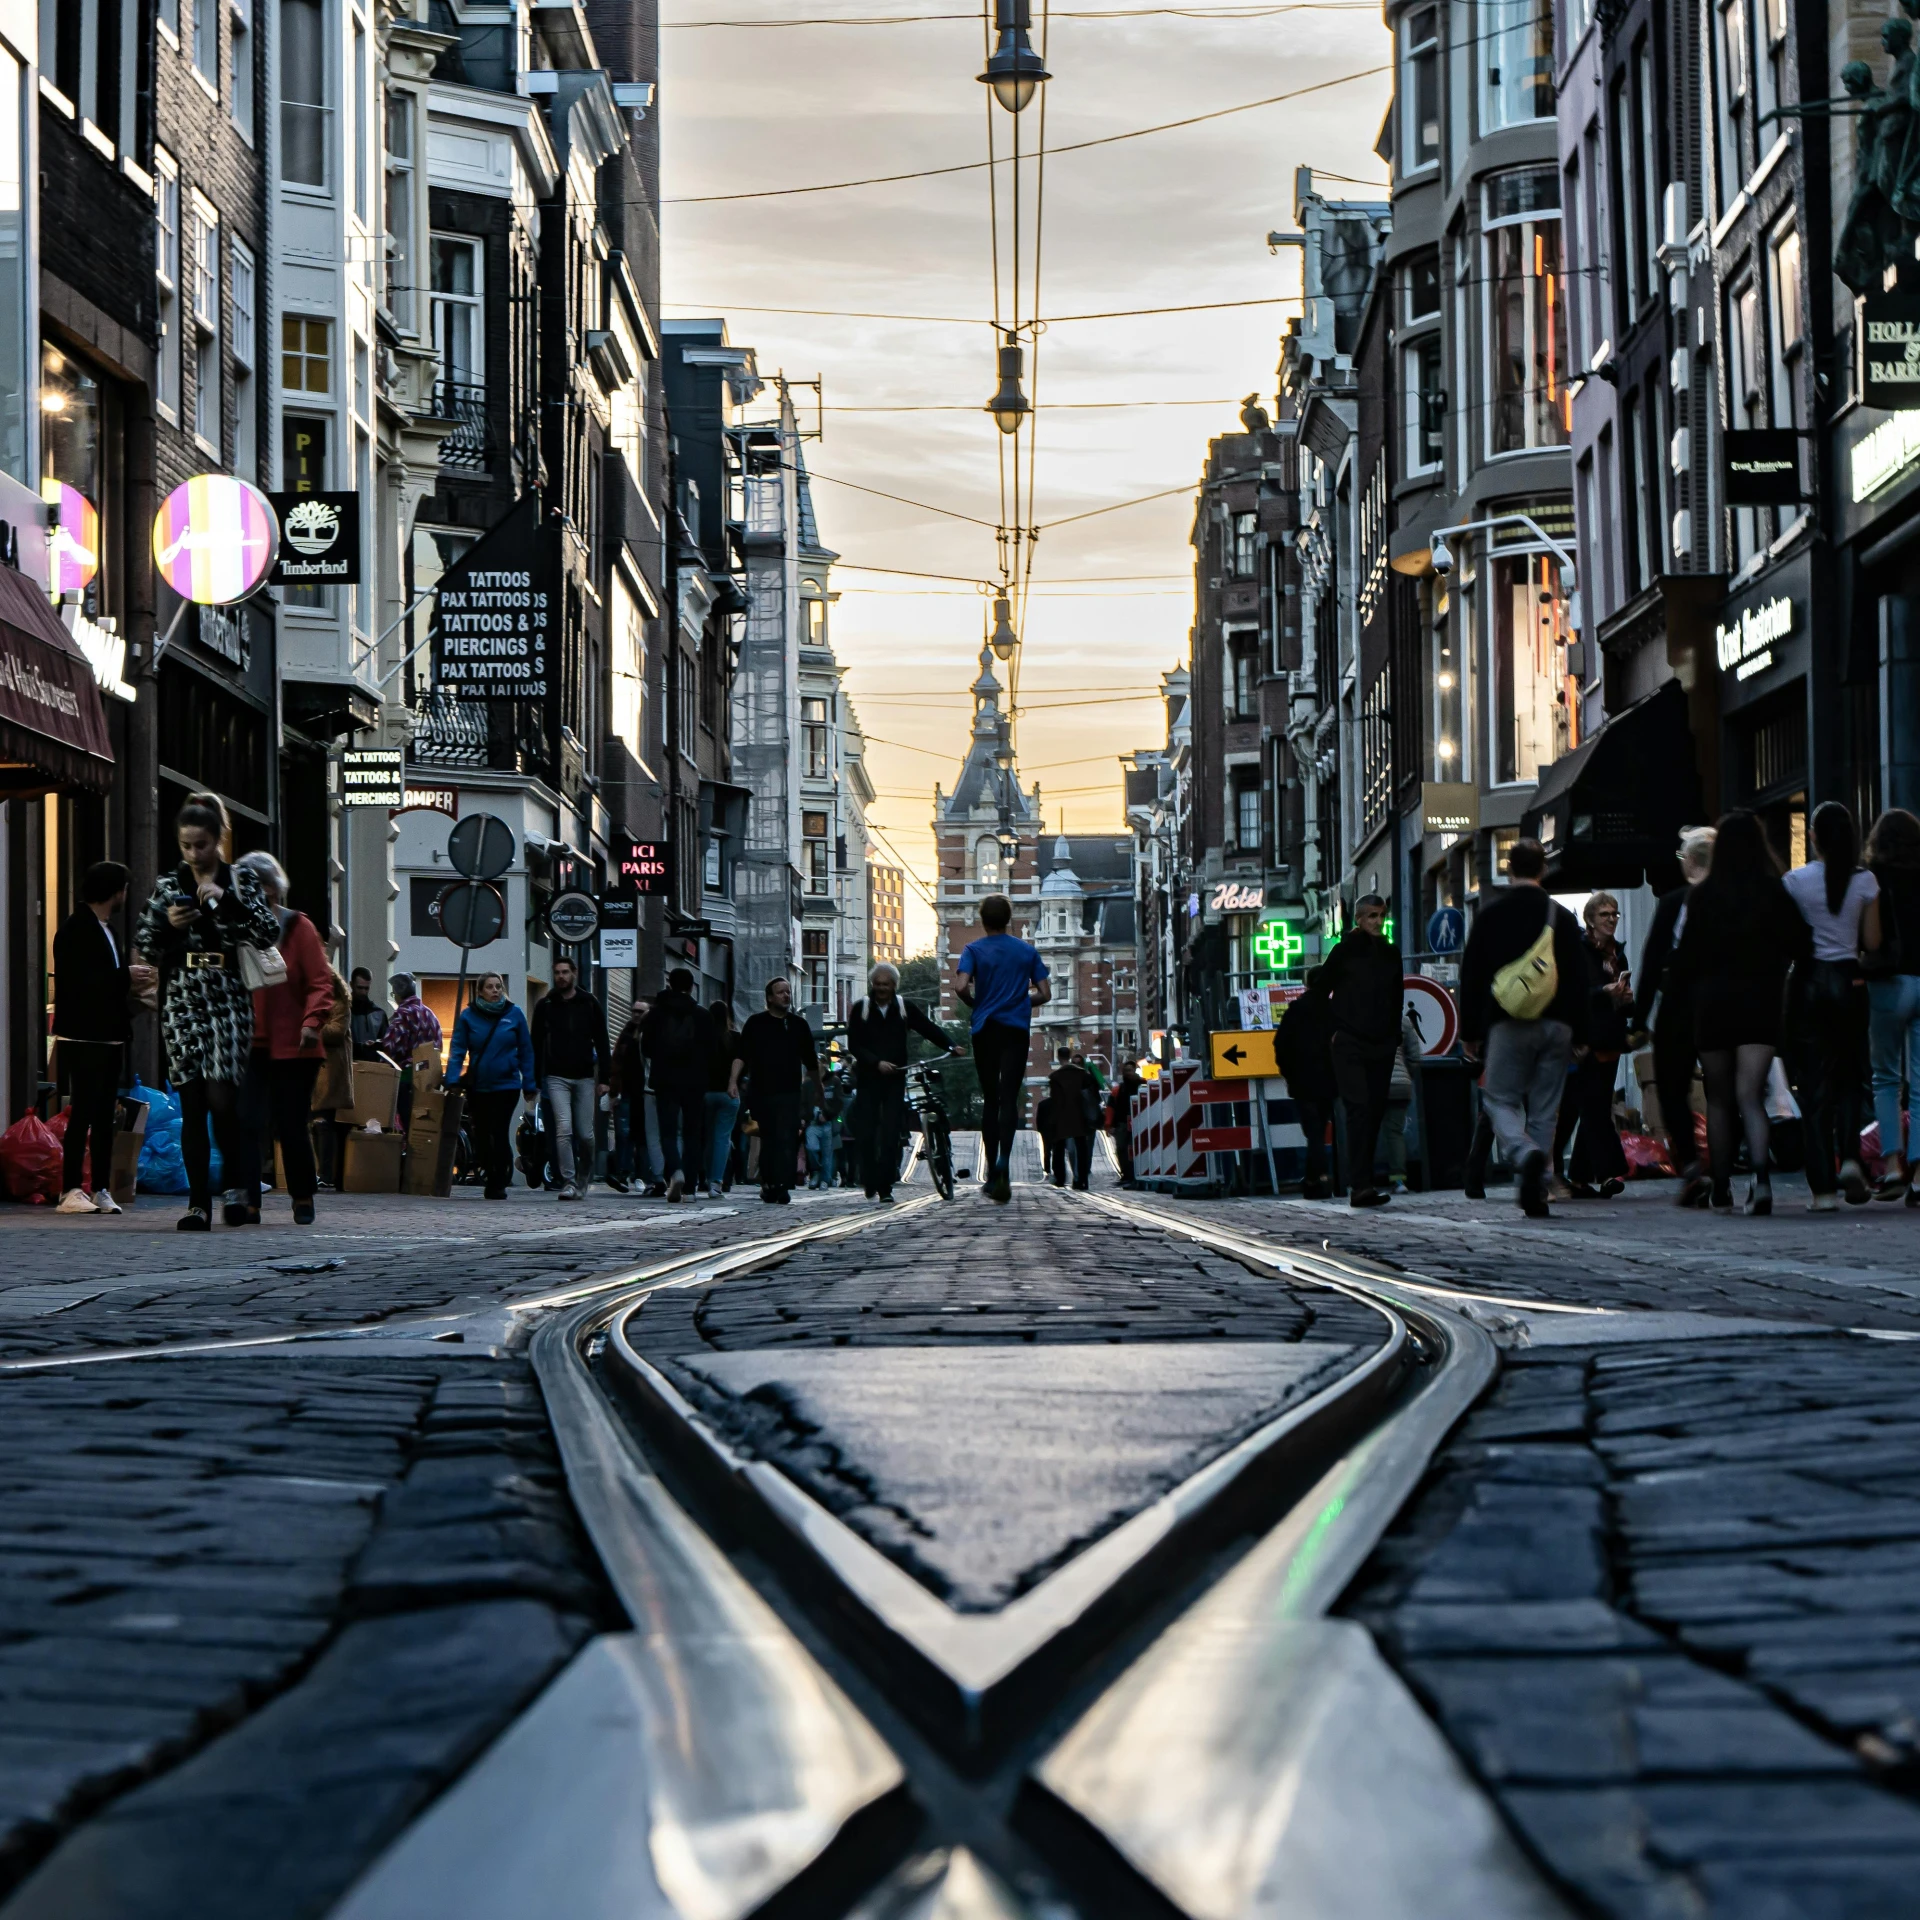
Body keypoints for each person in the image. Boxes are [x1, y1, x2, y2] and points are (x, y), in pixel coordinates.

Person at [137, 792, 281, 1229]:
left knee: (223, 1098)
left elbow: (267, 931)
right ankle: (198, 1203)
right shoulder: (168, 885)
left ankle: (237, 1190)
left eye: (201, 844)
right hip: (182, 996)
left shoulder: (240, 880)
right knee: (193, 1100)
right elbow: (146, 944)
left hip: (227, 996)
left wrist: (225, 901)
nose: (194, 853)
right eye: (185, 845)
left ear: (217, 840)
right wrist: (167, 925)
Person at [1667, 810, 1810, 1215]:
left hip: (1712, 1003)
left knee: (1719, 1099)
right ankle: (1762, 1179)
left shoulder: (1703, 895)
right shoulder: (1773, 891)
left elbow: (1686, 958)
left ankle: (1722, 1184)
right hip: (1760, 1001)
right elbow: (1801, 942)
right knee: (1751, 1094)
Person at [1458, 837, 1590, 1219]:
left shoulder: (1490, 915)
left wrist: (1471, 1031)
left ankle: (1522, 1151)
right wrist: (1582, 1032)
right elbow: (1578, 977)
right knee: (1547, 1108)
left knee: (1499, 1098)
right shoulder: (1562, 916)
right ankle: (1541, 1183)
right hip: (1559, 1024)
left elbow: (1473, 974)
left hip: (1509, 1022)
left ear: (1509, 869)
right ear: (1543, 870)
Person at [232, 852, 334, 1225]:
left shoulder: (297, 927)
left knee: (290, 1123)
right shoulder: (237, 927)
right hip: (251, 1043)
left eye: (259, 889)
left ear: (272, 891)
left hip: (295, 1045)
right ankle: (249, 1201)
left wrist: (311, 1022)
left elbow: (320, 981)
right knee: (247, 1120)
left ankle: (302, 1196)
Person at [1784, 802, 1875, 1210]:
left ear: (1814, 837)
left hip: (1808, 984)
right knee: (1852, 1077)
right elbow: (1871, 943)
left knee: (1815, 1087)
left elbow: (1787, 939)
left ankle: (1822, 1188)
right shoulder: (1866, 881)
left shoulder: (1795, 882)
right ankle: (1852, 1158)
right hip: (1850, 982)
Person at [52, 861, 154, 1215]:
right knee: (82, 1112)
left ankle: (100, 1187)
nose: (126, 895)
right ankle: (69, 1190)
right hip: (82, 1037)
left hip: (109, 1036)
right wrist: (125, 976)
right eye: (124, 889)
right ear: (113, 891)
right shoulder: (73, 930)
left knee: (105, 1114)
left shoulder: (108, 930)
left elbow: (106, 982)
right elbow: (78, 984)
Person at [1633, 826, 1716, 1202]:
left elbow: (1651, 963)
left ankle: (1692, 1164)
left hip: (1680, 1006)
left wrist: (1639, 1017)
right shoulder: (1733, 901)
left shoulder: (1674, 903)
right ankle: (1726, 1170)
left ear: (1692, 862)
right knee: (1726, 1090)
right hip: (1724, 1004)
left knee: (1672, 1086)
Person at [955, 894, 1051, 1204]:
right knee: (1009, 1096)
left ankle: (990, 1166)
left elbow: (960, 987)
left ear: (983, 920)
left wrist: (977, 1004)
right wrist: (1022, 1002)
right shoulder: (1027, 951)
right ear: (1009, 919)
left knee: (990, 1099)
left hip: (985, 1030)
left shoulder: (973, 950)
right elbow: (1045, 993)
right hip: (1015, 1030)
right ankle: (1004, 1164)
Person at [1320, 893, 1404, 1208]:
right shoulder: (1343, 952)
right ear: (1358, 919)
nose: (1378, 922)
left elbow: (1398, 995)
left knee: (1375, 1112)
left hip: (1381, 1042)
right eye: (1371, 916)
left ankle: (1364, 1181)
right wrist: (1333, 1033)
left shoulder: (1390, 953)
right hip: (1350, 1041)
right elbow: (1319, 991)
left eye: (1381, 916)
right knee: (1358, 1109)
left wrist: (1394, 1035)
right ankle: (1360, 1185)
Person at [847, 962, 955, 1199]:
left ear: (894, 985)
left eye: (886, 984)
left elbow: (928, 1028)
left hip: (895, 1079)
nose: (881, 989)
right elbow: (854, 1043)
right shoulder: (861, 1008)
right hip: (868, 1079)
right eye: (877, 984)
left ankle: (885, 1186)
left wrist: (950, 1045)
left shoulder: (905, 1008)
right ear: (872, 985)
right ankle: (869, 1177)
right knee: (865, 1133)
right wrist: (876, 1063)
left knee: (890, 1132)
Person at [1553, 893, 1633, 1199]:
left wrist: (1627, 1001)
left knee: (1587, 1107)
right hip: (1584, 1040)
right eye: (1604, 915)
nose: (1611, 919)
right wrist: (1604, 992)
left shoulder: (1618, 955)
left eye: (1615, 914)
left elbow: (1621, 1005)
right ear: (1590, 920)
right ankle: (1607, 1172)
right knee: (1591, 1107)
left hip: (1610, 1039)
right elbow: (1575, 995)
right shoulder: (1580, 952)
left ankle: (1578, 1175)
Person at [1863, 807, 1920, 1200]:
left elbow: (1868, 938)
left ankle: (1894, 1164)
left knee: (1885, 1078)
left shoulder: (1872, 879)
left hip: (1887, 981)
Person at [729, 975, 821, 1203]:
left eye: (788, 992)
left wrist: (818, 1088)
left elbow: (810, 1061)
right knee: (769, 1139)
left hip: (790, 1092)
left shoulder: (798, 1025)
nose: (786, 995)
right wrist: (732, 1081)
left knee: (788, 1138)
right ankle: (769, 1182)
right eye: (780, 992)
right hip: (762, 1091)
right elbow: (741, 1055)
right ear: (769, 997)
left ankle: (782, 1184)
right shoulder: (756, 1023)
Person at [446, 972, 537, 1199]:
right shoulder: (468, 1017)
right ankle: (491, 1169)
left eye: (498, 986)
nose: (495, 990)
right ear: (480, 991)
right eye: (490, 987)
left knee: (498, 1130)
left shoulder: (514, 1014)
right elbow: (458, 1049)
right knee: (483, 1135)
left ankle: (498, 1181)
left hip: (506, 1085)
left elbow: (526, 1051)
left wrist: (529, 1083)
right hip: (479, 1086)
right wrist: (453, 1079)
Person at [530, 955, 609, 1200]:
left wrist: (604, 1078)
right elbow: (536, 1044)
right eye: (557, 973)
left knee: (585, 1134)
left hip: (585, 1076)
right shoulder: (546, 1005)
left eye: (565, 972)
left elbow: (603, 1042)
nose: (561, 977)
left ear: (574, 973)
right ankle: (569, 1180)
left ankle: (584, 1176)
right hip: (556, 1077)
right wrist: (533, 1080)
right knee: (563, 1129)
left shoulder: (589, 1003)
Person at [641, 968, 710, 1203]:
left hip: (665, 1079)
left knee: (668, 1133)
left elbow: (646, 1048)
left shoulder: (655, 1015)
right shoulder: (702, 1015)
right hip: (695, 1081)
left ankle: (676, 1172)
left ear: (669, 984)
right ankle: (690, 1186)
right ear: (692, 987)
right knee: (692, 1133)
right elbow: (711, 1050)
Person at [1274, 969, 1337, 1198]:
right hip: (1329, 1079)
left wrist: (1289, 1074)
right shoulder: (1333, 1011)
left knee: (1314, 1131)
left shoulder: (1296, 1011)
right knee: (1319, 1129)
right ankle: (1318, 1178)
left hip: (1303, 1081)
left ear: (1306, 984)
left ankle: (1316, 1180)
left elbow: (1281, 1045)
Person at [1047, 1043, 1098, 1189]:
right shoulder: (1083, 1075)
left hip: (1062, 1116)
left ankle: (1060, 1178)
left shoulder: (1055, 1077)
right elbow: (1092, 1095)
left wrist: (1052, 1120)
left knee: (1059, 1147)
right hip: (1080, 1115)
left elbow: (1055, 1100)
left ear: (1058, 1057)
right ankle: (1081, 1179)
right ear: (1069, 1056)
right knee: (1081, 1148)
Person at [706, 1001, 743, 1194]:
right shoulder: (735, 1038)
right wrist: (733, 1081)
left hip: (705, 1093)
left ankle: (702, 1177)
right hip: (729, 1094)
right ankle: (716, 1182)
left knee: (704, 1137)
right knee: (722, 1138)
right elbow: (742, 1060)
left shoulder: (703, 1037)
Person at [1107, 1058, 1144, 1188]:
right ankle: (1126, 1175)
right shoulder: (1119, 1089)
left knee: (1136, 1149)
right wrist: (1109, 1125)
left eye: (1130, 1070)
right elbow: (1111, 1107)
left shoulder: (1143, 1085)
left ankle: (1136, 1174)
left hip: (1140, 1123)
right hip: (1122, 1124)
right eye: (1126, 1071)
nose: (1128, 1073)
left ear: (1135, 1071)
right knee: (1122, 1149)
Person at [348, 968, 389, 1061]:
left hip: (372, 1067)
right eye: (360, 988)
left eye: (366, 988)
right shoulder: (342, 1011)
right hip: (348, 1065)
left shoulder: (379, 1013)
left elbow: (386, 1044)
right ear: (352, 985)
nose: (363, 992)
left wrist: (376, 1044)